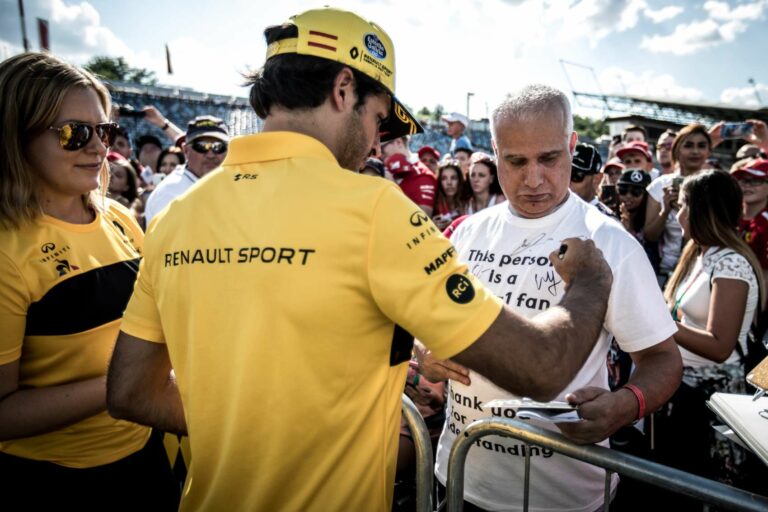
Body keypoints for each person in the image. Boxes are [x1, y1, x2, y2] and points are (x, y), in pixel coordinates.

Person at [105, 9, 614, 511]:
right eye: (378, 119)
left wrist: (246, 428)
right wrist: (589, 280)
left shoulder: (177, 216)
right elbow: (542, 366)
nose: (376, 141)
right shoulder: (373, 209)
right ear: (343, 87)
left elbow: (131, 391)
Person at [420, 84, 681, 512]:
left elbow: (663, 359)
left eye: (549, 158)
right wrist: (426, 354)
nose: (534, 179)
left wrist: (626, 404)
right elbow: (430, 327)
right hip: (460, 478)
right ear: (495, 152)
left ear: (572, 146)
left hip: (564, 496)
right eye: (516, 161)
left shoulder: (609, 243)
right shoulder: (468, 232)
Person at [0, 52, 178, 509]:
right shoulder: (6, 251)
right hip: (56, 479)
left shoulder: (118, 217)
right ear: (14, 136)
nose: (99, 148)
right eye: (73, 133)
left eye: (105, 131)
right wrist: (130, 386)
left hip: (147, 452)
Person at [658, 169, 764, 502]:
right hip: (686, 390)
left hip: (714, 400)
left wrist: (659, 323)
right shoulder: (701, 253)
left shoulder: (731, 263)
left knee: (715, 490)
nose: (678, 214)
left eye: (684, 205)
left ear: (704, 209)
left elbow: (720, 346)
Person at [644, 124, 712, 285]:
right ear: (677, 150)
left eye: (701, 146)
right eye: (688, 145)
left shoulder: (714, 186)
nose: (695, 151)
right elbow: (650, 236)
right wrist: (666, 210)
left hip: (701, 268)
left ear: (708, 152)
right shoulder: (660, 185)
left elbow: (713, 235)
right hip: (662, 269)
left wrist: (687, 211)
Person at [143, 115, 229, 225]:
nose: (211, 154)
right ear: (186, 150)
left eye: (218, 146)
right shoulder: (170, 193)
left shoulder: (231, 184)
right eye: (201, 146)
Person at [733, 159, 768, 290]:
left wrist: (757, 309)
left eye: (756, 180)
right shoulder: (729, 216)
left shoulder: (765, 224)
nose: (747, 185)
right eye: (743, 180)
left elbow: (766, 274)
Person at [617, 169, 659, 271]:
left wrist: (628, 233)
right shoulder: (608, 213)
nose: (628, 196)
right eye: (623, 190)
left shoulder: (651, 219)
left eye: (636, 192)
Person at [569, 142, 615, 217]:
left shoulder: (606, 220)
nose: (567, 183)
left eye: (576, 175)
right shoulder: (554, 213)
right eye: (564, 175)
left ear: (597, 179)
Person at [432, 160, 465, 230]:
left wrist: (453, 224)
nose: (449, 183)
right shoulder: (433, 203)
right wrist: (432, 225)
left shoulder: (467, 203)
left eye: (453, 178)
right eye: (444, 178)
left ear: (459, 180)